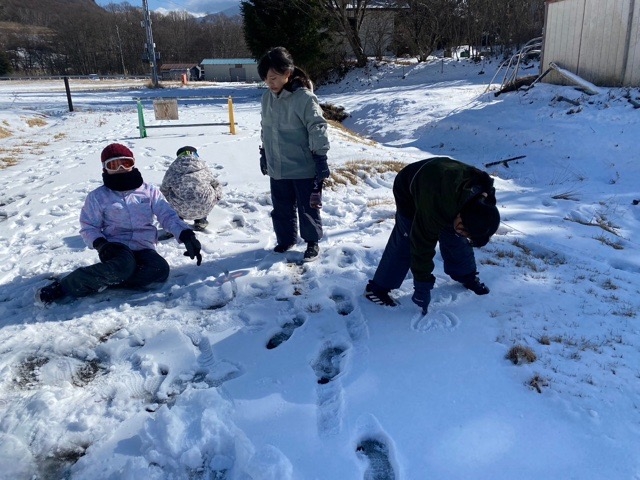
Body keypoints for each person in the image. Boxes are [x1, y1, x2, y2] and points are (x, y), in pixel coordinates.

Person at [37, 143, 202, 305]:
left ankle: (107, 278)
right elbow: (89, 226)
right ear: (105, 169)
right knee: (124, 265)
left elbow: (167, 215)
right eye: (113, 165)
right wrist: (101, 244)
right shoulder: (98, 197)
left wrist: (186, 234)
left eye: (126, 162)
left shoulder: (149, 191)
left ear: (133, 163)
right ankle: (67, 285)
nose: (121, 168)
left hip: (144, 246)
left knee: (159, 270)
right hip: (115, 247)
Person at [364, 157, 500, 315]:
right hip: (410, 184)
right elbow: (422, 245)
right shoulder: (436, 206)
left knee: (456, 238)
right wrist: (422, 285)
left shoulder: (484, 201)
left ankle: (466, 275)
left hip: (446, 183)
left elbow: (483, 183)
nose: (466, 234)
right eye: (465, 230)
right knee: (407, 238)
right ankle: (377, 289)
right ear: (461, 216)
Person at [257, 46, 331, 262]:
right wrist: (264, 153)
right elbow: (266, 128)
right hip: (277, 166)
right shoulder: (266, 98)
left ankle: (312, 242)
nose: (269, 83)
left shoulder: (304, 99)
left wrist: (320, 157)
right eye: (266, 78)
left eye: (274, 77)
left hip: (302, 166)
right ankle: (286, 240)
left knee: (307, 208)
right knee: (281, 207)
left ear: (287, 74)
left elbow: (317, 127)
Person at [160, 145, 222, 232]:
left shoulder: (173, 169)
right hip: (204, 207)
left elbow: (164, 189)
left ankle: (178, 220)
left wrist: (171, 202)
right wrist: (216, 197)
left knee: (169, 193)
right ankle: (201, 220)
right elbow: (215, 184)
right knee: (208, 190)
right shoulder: (203, 167)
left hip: (180, 209)